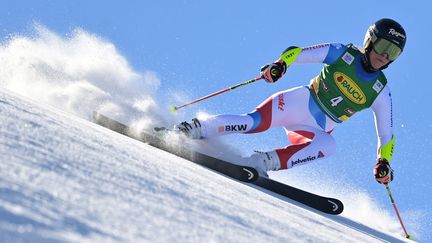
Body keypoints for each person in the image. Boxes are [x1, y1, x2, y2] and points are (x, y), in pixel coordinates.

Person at [175, 18, 406, 184]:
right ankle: (194, 128)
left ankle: (262, 162)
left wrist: (383, 162)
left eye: (393, 53)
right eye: (384, 46)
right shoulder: (344, 53)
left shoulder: (380, 91)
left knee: (329, 146)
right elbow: (298, 53)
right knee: (252, 124)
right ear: (370, 40)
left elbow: (386, 136)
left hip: (316, 127)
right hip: (300, 102)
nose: (385, 56)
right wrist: (280, 65)